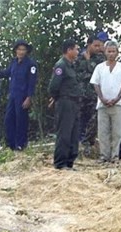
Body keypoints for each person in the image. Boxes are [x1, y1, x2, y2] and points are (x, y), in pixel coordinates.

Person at [0, 39, 38, 151]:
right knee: (9, 120)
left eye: (23, 49)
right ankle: (11, 144)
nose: (21, 52)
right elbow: (5, 73)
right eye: (19, 49)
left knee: (21, 120)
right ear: (16, 51)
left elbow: (32, 82)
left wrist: (29, 97)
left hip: (23, 96)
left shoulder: (31, 64)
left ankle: (21, 144)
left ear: (26, 51)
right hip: (13, 95)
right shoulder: (14, 62)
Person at [89, 41, 121, 163]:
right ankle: (104, 155)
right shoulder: (100, 67)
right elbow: (96, 84)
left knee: (117, 132)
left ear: (117, 53)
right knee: (103, 131)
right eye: (109, 51)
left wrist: (117, 98)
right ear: (105, 52)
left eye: (114, 51)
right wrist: (102, 98)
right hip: (102, 104)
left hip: (117, 104)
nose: (111, 54)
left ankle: (115, 156)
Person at [48, 39, 81, 170]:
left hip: (73, 102)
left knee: (73, 133)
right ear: (69, 50)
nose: (78, 52)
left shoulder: (71, 65)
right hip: (65, 102)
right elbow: (53, 86)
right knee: (64, 133)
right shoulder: (61, 65)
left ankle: (69, 162)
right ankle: (60, 162)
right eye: (76, 49)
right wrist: (56, 98)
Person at [76, 35, 105, 155]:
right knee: (79, 120)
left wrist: (88, 61)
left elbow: (97, 73)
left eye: (100, 46)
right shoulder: (77, 57)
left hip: (94, 95)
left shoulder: (100, 59)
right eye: (95, 45)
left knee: (93, 120)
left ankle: (89, 143)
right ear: (89, 45)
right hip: (80, 95)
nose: (98, 48)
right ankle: (78, 144)